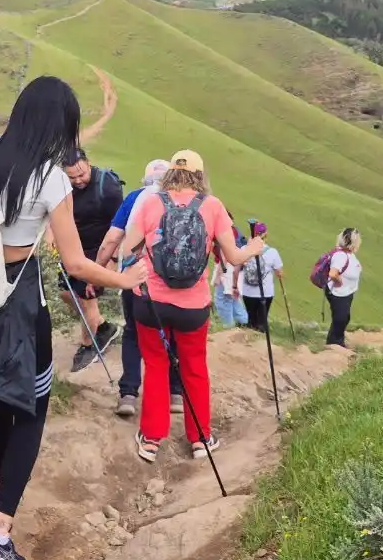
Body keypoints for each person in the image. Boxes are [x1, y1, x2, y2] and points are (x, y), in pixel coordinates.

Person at [0, 77, 148, 560]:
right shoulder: (51, 178)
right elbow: (77, 263)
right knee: (29, 406)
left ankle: (1, 484)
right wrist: (125, 279)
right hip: (19, 301)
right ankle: (0, 533)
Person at [119, 150, 265, 462]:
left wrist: (147, 261)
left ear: (170, 173)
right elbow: (234, 258)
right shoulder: (212, 207)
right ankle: (200, 439)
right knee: (194, 369)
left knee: (156, 367)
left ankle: (151, 440)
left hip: (152, 303)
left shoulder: (149, 203)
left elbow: (128, 248)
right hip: (193, 306)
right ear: (200, 174)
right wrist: (253, 247)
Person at [92, 158, 181, 419]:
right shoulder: (184, 199)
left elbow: (111, 240)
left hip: (137, 277)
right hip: (172, 281)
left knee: (133, 333)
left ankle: (129, 394)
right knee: (171, 333)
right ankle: (175, 392)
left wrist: (96, 272)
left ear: (146, 179)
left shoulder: (135, 198)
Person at [60, 148, 125, 372]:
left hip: (100, 251)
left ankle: (88, 346)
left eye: (81, 174)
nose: (78, 181)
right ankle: (103, 326)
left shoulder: (107, 187)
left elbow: (119, 229)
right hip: (73, 249)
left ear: (88, 164)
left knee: (86, 298)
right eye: (72, 177)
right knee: (66, 294)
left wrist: (107, 266)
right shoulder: (61, 186)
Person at [237, 220, 283, 333]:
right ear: (265, 234)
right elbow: (280, 273)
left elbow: (237, 268)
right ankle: (261, 342)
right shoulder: (272, 252)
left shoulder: (244, 250)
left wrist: (234, 286)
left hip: (248, 292)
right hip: (266, 292)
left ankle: (249, 341)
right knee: (262, 321)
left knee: (250, 319)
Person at [324, 227, 362, 347]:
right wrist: (340, 281)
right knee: (340, 318)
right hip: (338, 292)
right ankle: (334, 343)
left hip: (346, 292)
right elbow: (333, 273)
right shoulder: (341, 255)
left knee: (344, 317)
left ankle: (336, 341)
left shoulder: (348, 255)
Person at [211, 211, 248, 328]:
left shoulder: (224, 232)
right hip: (237, 268)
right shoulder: (235, 230)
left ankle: (228, 328)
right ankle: (245, 323)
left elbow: (224, 255)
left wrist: (218, 276)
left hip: (226, 269)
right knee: (233, 299)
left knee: (222, 300)